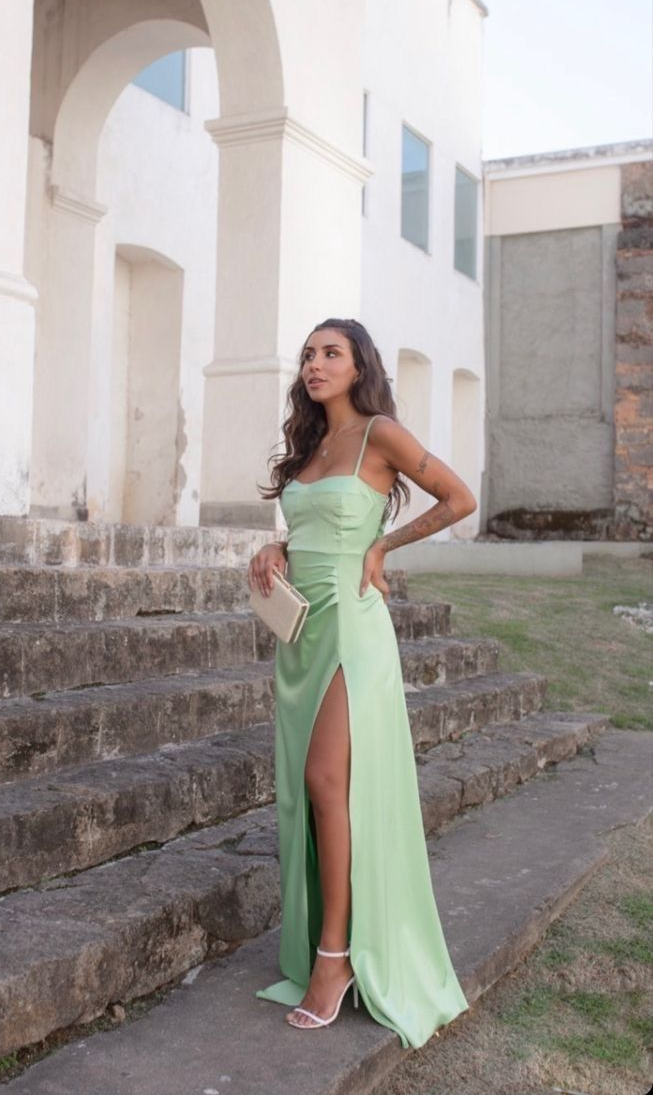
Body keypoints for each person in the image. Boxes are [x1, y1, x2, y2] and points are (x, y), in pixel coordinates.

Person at [250, 318, 475, 1047]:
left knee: (326, 781)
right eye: (308, 355)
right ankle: (328, 942)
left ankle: (336, 957)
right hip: (301, 635)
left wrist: (383, 545)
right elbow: (312, 527)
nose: (315, 365)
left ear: (358, 367)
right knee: (309, 788)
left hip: (353, 626)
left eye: (331, 354)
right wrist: (276, 548)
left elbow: (457, 498)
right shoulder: (311, 445)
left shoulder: (381, 434)